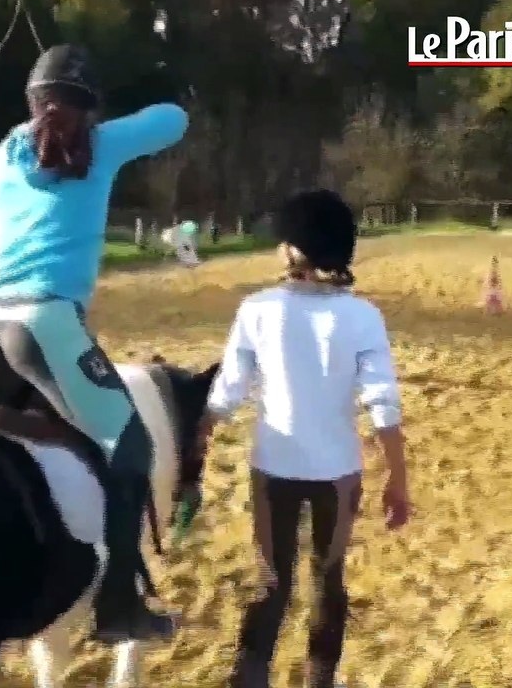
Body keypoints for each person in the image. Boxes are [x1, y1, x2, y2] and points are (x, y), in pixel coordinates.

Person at [0, 44, 189, 643]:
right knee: (130, 447)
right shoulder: (102, 145)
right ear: (89, 106)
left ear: (33, 102)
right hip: (45, 325)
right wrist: (102, 127)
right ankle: (116, 607)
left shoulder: (7, 150)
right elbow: (174, 119)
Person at [198, 190, 411, 688]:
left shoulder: (258, 309)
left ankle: (249, 678)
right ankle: (320, 679)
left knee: (272, 580)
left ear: (296, 251)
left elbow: (227, 392)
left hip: (273, 469)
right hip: (338, 475)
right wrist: (398, 480)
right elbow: (383, 406)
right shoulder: (363, 317)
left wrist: (199, 438)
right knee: (328, 579)